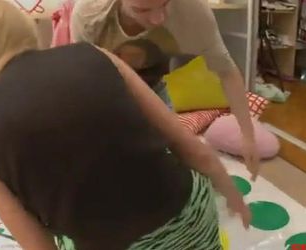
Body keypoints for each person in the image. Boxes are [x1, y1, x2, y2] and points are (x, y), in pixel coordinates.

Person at [0, 0, 250, 249]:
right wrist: (232, 196)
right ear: (24, 31)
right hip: (193, 218)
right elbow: (193, 150)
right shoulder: (96, 54)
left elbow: (38, 245)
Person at [71, 0, 261, 180]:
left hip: (156, 90)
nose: (158, 19)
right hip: (107, 93)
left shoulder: (194, 11)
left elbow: (227, 72)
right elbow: (83, 82)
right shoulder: (90, 14)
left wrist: (247, 136)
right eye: (142, 10)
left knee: (165, 160)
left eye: (164, 3)